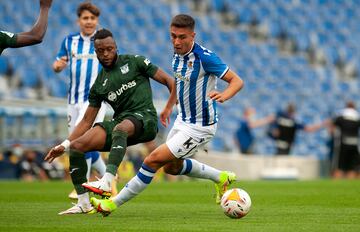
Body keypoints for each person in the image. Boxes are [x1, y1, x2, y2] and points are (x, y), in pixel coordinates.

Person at [89, 14, 244, 217]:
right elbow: (179, 83)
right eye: (173, 36)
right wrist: (170, 106)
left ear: (192, 36)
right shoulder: (177, 54)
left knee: (152, 160)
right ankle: (221, 177)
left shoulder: (205, 58)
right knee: (172, 167)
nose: (177, 42)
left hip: (201, 126)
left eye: (182, 37)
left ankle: (111, 204)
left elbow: (237, 81)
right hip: (183, 119)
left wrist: (224, 95)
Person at [44, 28, 175, 215]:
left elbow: (170, 82)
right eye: (101, 51)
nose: (106, 54)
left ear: (116, 48)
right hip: (121, 123)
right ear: (95, 52)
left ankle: (107, 180)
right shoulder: (99, 85)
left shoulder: (135, 62)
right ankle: (83, 203)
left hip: (146, 119)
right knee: (77, 146)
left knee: (120, 128)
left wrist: (168, 107)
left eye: (109, 49)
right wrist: (64, 145)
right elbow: (86, 121)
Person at [52, 1, 107, 200]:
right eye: (85, 18)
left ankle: (82, 186)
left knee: (82, 142)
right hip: (73, 100)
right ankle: (109, 177)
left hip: (94, 101)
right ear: (79, 21)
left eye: (92, 18)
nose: (89, 21)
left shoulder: (103, 41)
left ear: (97, 21)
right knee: (76, 142)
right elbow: (59, 62)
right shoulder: (69, 41)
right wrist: (57, 66)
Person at [330, 101, 360, 179]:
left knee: (339, 165)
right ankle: (350, 182)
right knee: (352, 166)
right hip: (354, 142)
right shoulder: (357, 116)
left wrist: (332, 136)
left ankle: (336, 182)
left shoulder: (341, 115)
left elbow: (332, 128)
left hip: (342, 143)